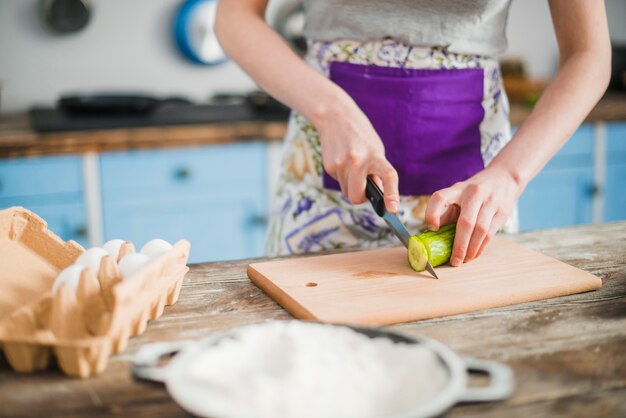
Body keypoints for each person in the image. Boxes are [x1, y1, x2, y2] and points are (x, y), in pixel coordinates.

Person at [215, 0, 611, 265]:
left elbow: (589, 53)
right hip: (325, 155)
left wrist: (508, 174)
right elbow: (233, 18)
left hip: (475, 178)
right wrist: (332, 112)